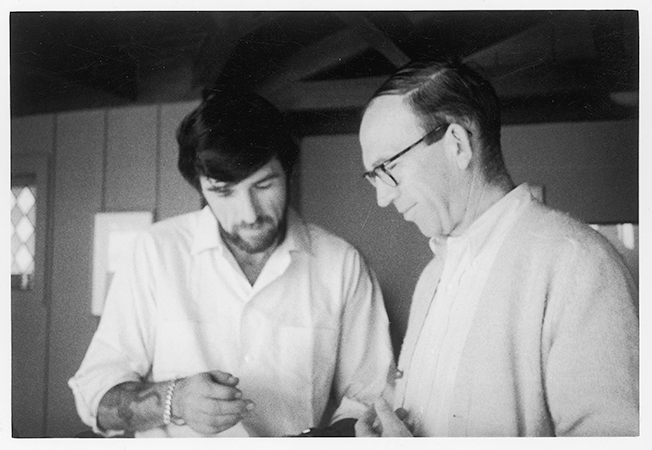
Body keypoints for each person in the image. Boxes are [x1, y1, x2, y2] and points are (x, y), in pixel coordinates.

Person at [69, 89, 394, 438]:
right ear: (201, 187)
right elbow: (95, 397)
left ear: (288, 170)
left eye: (264, 184)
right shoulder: (155, 252)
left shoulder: (341, 265)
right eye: (224, 192)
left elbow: (371, 400)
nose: (249, 214)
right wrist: (172, 400)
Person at [354, 59, 638, 437]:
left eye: (387, 168)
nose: (382, 199)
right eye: (373, 177)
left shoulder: (578, 263)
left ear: (457, 144)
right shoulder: (432, 277)